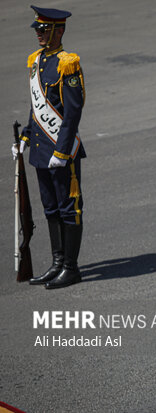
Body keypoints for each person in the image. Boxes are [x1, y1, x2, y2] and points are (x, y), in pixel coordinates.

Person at [11, 6, 86, 289]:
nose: (39, 34)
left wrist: (62, 151)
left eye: (44, 30)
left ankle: (71, 267)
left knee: (69, 209)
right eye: (38, 30)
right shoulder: (36, 61)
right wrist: (26, 138)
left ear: (59, 30)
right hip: (42, 149)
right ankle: (57, 264)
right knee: (50, 208)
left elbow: (72, 113)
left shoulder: (68, 63)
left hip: (61, 151)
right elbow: (36, 106)